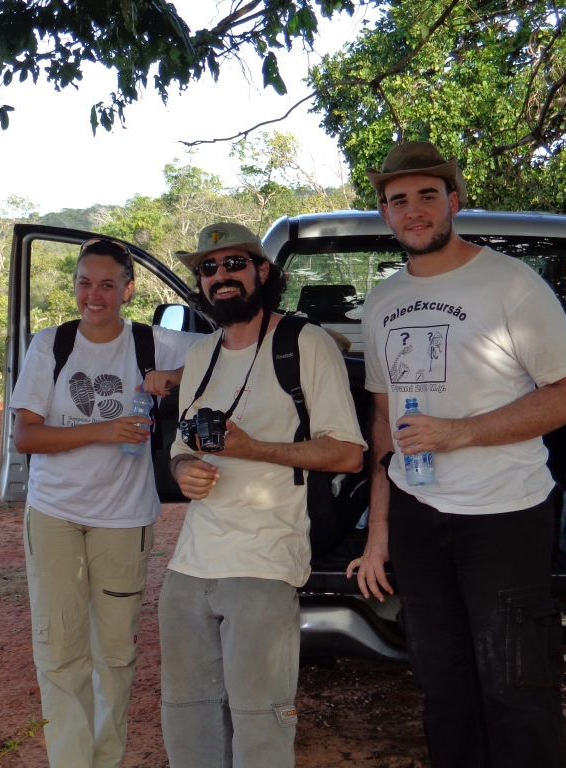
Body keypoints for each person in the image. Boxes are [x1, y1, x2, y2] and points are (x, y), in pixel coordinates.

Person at [347, 141, 566, 768]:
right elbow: (382, 418)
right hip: (416, 513)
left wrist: (461, 433)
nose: (414, 209)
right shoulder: (381, 300)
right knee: (442, 687)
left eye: (428, 194)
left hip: (504, 515)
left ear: (453, 201)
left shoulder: (510, 282)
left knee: (517, 687)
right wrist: (379, 533)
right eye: (398, 200)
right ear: (385, 215)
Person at [163, 222, 366, 768]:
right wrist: (183, 468)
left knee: (260, 721)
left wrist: (256, 449)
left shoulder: (304, 344)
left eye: (233, 264)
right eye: (208, 268)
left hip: (265, 559)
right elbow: (181, 448)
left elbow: (348, 453)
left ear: (262, 272)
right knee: (187, 714)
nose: (220, 276)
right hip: (190, 564)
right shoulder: (202, 354)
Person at [9, 237, 201, 768]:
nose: (94, 295)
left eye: (107, 284)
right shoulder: (51, 344)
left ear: (128, 289)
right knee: (60, 654)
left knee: (115, 655)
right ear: (74, 285)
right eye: (84, 283)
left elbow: (228, 354)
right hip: (55, 515)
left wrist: (174, 378)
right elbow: (25, 436)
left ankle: (106, 759)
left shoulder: (151, 341)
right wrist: (102, 430)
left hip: (123, 517)